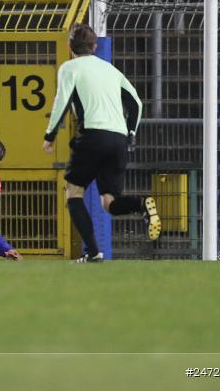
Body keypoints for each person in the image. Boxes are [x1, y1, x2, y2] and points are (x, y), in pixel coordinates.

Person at [43, 22, 160, 263]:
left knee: (73, 193)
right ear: (95, 47)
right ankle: (142, 205)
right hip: (118, 140)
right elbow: (136, 103)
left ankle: (94, 252)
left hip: (93, 136)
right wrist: (130, 133)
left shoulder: (70, 67)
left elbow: (61, 101)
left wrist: (50, 135)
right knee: (109, 203)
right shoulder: (111, 70)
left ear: (69, 46)